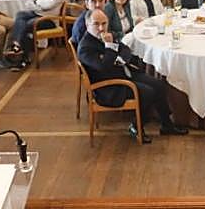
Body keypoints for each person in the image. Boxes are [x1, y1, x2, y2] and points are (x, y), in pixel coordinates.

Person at [76, 9, 188, 143]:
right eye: (96, 24)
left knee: (159, 85)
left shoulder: (106, 35)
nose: (101, 28)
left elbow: (125, 49)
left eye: (104, 23)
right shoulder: (85, 47)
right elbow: (103, 67)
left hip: (122, 73)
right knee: (148, 93)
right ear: (87, 24)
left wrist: (121, 59)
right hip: (108, 87)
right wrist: (110, 47)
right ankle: (136, 127)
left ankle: (167, 125)